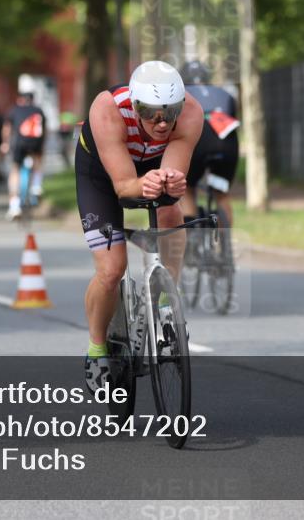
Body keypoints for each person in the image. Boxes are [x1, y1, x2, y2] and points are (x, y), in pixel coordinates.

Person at [75, 61, 203, 392]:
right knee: (111, 269)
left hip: (150, 164)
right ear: (135, 105)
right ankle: (96, 348)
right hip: (102, 174)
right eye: (150, 112)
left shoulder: (191, 113)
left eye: (169, 112)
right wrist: (141, 184)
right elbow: (123, 187)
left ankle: (165, 308)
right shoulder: (107, 109)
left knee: (172, 215)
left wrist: (172, 184)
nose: (161, 123)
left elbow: (173, 174)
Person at [179, 60, 240, 227]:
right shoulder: (225, 93)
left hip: (199, 138)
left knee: (187, 189)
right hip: (226, 140)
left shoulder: (180, 93)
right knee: (221, 193)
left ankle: (192, 239)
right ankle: (225, 248)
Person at [1, 80, 47, 221]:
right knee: (38, 161)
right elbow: (44, 131)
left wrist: (5, 143)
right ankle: (36, 186)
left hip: (19, 143)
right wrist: (41, 148)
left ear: (19, 99)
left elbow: (7, 129)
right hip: (35, 143)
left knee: (15, 170)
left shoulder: (14, 110)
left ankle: (14, 207)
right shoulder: (39, 111)